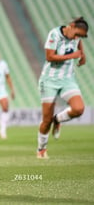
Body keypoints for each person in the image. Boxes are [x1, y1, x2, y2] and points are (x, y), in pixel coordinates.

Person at [37, 17, 89, 159]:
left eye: (81, 36)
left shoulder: (76, 37)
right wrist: (73, 55)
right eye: (77, 34)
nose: (78, 38)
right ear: (71, 26)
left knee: (78, 109)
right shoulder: (54, 35)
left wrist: (82, 55)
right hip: (49, 80)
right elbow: (50, 57)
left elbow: (79, 43)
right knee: (46, 120)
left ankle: (58, 119)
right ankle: (41, 149)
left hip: (67, 79)